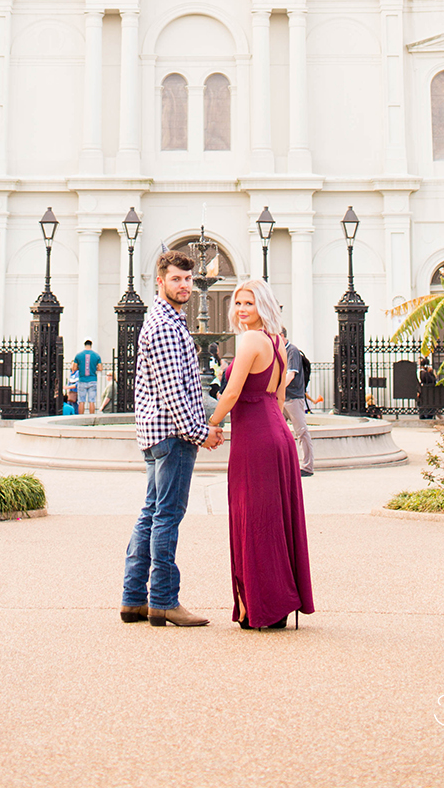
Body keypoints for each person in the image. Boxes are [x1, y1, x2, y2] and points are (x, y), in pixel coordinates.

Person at [205, 280, 314, 632]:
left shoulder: (251, 340)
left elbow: (232, 390)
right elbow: (279, 397)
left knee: (255, 522)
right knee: (276, 521)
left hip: (256, 439)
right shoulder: (278, 342)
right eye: (237, 302)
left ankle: (261, 606)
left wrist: (209, 424)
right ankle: (276, 602)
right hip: (276, 434)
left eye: (248, 303)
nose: (240, 309)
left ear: (261, 306)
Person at [121, 248, 216, 629]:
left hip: (160, 434)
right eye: (176, 279)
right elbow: (173, 391)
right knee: (166, 517)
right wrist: (200, 433)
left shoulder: (171, 321)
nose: (184, 286)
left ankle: (133, 600)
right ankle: (162, 600)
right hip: (172, 437)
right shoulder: (163, 324)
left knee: (151, 514)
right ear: (159, 282)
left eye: (188, 279)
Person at [280, 326, 314, 477]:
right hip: (282, 398)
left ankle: (307, 466)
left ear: (281, 335)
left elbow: (291, 374)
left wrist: (276, 390)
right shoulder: (278, 351)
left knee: (301, 431)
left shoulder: (291, 350)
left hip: (293, 397)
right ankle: (285, 464)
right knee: (279, 432)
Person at [73, 339, 104, 414]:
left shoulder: (78, 355)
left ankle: (81, 417)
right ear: (91, 345)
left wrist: (79, 368)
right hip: (92, 379)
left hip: (82, 379)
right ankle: (91, 417)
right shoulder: (96, 355)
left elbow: (73, 368)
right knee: (92, 401)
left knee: (81, 401)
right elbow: (100, 368)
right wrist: (94, 368)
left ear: (84, 345)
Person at [417, 356, 438, 421]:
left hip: (427, 391)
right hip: (424, 390)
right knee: (423, 403)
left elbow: (432, 380)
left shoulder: (425, 372)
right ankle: (424, 414)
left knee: (427, 403)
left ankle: (429, 414)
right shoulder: (422, 372)